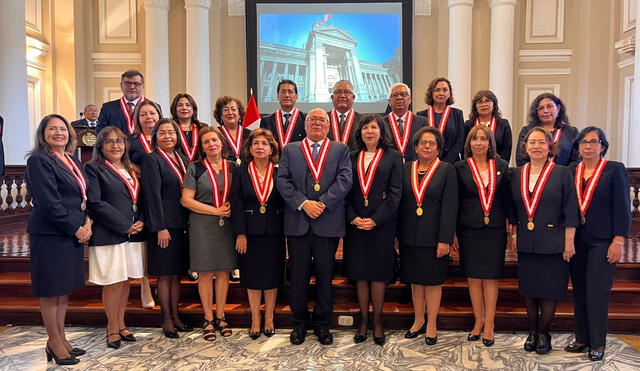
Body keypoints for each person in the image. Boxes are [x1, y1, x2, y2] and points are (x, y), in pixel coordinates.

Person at [276, 108, 352, 345]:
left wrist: (322, 203)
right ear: (305, 125)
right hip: (298, 223)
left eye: (322, 120)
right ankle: (299, 324)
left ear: (329, 126)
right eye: (312, 119)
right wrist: (303, 203)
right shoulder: (291, 149)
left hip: (327, 223)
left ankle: (322, 325)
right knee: (297, 277)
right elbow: (283, 180)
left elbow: (345, 179)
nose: (317, 123)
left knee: (325, 276)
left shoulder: (340, 149)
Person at [26, 114, 91, 365]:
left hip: (70, 231)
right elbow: (49, 202)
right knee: (50, 291)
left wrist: (87, 222)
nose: (58, 133)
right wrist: (75, 228)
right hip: (50, 234)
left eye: (62, 129)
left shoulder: (71, 160)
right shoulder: (39, 160)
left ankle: (61, 339)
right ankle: (54, 342)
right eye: (52, 129)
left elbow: (80, 196)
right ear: (43, 134)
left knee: (62, 291)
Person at [509, 126, 578, 354]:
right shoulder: (518, 173)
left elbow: (570, 209)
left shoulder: (562, 172)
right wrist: (513, 235)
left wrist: (569, 242)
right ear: (525, 147)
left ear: (550, 147)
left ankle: (543, 332)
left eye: (541, 142)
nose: (536, 146)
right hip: (527, 241)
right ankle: (532, 330)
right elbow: (514, 207)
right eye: (532, 142)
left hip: (554, 241)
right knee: (529, 289)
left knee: (549, 290)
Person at [565, 127, 631, 361]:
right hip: (577, 241)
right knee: (580, 292)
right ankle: (582, 338)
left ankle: (598, 342)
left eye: (594, 142)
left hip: (603, 242)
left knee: (597, 292)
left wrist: (618, 240)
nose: (588, 146)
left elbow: (623, 208)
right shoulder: (572, 169)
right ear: (578, 146)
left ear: (603, 145)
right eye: (583, 142)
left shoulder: (614, 169)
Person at [344, 114, 402, 346]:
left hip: (382, 225)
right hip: (356, 224)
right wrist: (354, 218)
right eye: (365, 128)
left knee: (378, 274)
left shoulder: (394, 157)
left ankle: (378, 321)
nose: (369, 131)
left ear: (381, 131)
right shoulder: (351, 156)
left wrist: (376, 220)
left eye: (374, 127)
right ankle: (363, 321)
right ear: (360, 132)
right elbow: (345, 192)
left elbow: (396, 193)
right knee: (360, 274)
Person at [85, 127, 145, 349]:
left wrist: (141, 221)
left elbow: (140, 198)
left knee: (125, 279)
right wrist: (125, 225)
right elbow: (96, 202)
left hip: (133, 233)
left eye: (119, 141)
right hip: (110, 234)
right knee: (113, 282)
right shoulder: (93, 168)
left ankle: (121, 324)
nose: (115, 145)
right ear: (100, 145)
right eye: (109, 141)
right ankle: (111, 329)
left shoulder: (132, 168)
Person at [397, 126, 458, 346]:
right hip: (409, 236)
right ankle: (418, 320)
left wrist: (445, 239)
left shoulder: (446, 170)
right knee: (415, 282)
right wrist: (397, 235)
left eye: (432, 143)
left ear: (439, 148)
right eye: (423, 142)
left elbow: (450, 207)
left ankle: (432, 323)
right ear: (415, 147)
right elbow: (400, 204)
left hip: (434, 238)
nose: (427, 146)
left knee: (432, 282)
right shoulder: (405, 169)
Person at [453, 125, 510, 347]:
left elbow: (506, 200)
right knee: (474, 277)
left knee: (492, 277)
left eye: (483, 139)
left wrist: (509, 228)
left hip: (495, 229)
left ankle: (490, 324)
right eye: (474, 139)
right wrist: (454, 233)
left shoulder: (502, 166)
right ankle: (478, 321)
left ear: (490, 143)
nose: (478, 142)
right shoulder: (459, 167)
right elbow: (455, 203)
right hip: (469, 229)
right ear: (469, 143)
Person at [181, 126, 237, 340]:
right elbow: (186, 200)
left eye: (214, 140)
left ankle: (221, 316)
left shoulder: (233, 167)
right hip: (202, 223)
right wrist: (215, 210)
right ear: (202, 147)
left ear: (221, 143)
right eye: (206, 142)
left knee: (223, 272)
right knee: (205, 273)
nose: (211, 144)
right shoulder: (195, 168)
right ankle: (207, 319)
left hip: (226, 226)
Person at [230, 128, 285, 340]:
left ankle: (269, 317)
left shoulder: (280, 170)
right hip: (250, 233)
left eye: (265, 143)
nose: (260, 147)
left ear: (272, 148)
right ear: (250, 149)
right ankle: (255, 318)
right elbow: (236, 203)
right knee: (252, 276)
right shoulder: (241, 171)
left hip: (275, 230)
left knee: (272, 276)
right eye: (256, 144)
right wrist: (240, 233)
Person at [140, 118, 192, 338]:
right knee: (164, 275)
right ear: (155, 137)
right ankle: (166, 319)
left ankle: (176, 315)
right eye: (162, 133)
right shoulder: (152, 159)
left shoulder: (181, 159)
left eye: (171, 132)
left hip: (180, 224)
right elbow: (151, 196)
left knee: (176, 275)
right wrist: (160, 227)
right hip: (163, 227)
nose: (168, 136)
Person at [128, 99, 162, 309]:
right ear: (138, 119)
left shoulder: (166, 137)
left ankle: (161, 280)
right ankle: (144, 286)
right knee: (142, 246)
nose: (149, 117)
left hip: (162, 196)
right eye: (144, 114)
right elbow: (123, 162)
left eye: (152, 113)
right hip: (139, 195)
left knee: (159, 242)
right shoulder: (132, 141)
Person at [516, 93, 579, 166]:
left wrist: (562, 174)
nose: (545, 111)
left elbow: (576, 160)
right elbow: (521, 159)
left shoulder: (571, 132)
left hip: (564, 176)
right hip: (533, 175)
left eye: (549, 106)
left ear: (558, 108)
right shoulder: (527, 131)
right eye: (541, 108)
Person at [416, 77, 465, 163]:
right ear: (431, 93)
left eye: (445, 90)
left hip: (451, 163)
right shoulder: (421, 115)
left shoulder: (457, 114)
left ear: (449, 94)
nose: (441, 93)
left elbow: (460, 141)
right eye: (437, 90)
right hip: (427, 162)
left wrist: (445, 162)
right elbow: (419, 141)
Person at [464, 90, 512, 163]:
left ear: (494, 104)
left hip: (497, 166)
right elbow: (465, 148)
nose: (484, 104)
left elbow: (507, 149)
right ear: (475, 106)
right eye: (480, 102)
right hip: (473, 166)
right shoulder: (468, 125)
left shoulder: (503, 124)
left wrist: (500, 166)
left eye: (487, 101)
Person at [384, 83, 427, 162]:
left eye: (403, 94)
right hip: (389, 168)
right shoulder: (381, 123)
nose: (399, 98)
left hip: (415, 167)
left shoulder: (422, 122)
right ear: (389, 101)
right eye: (395, 95)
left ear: (410, 99)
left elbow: (424, 146)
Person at [97, 69, 148, 135]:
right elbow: (100, 133)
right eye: (127, 83)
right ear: (121, 85)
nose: (132, 87)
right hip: (116, 145)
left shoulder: (153, 107)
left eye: (136, 84)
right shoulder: (108, 108)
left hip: (144, 145)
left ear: (143, 87)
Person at [260, 79, 306, 149]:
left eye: (290, 92)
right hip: (274, 159)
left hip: (297, 159)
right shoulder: (266, 121)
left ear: (296, 96)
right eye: (283, 92)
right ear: (278, 96)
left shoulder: (305, 119)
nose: (287, 95)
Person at [214, 96, 252, 166]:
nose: (230, 112)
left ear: (240, 114)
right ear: (220, 115)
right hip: (223, 173)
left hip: (247, 173)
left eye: (233, 109)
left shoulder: (250, 134)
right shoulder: (215, 134)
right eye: (226, 110)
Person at [171, 93, 208, 163]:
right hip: (177, 168)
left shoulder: (203, 128)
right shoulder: (170, 128)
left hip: (200, 169)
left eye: (188, 105)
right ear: (174, 109)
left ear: (193, 108)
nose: (184, 108)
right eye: (180, 105)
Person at [327, 80, 363, 150]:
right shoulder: (322, 119)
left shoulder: (363, 121)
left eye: (347, 92)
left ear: (353, 97)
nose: (342, 95)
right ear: (332, 97)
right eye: (338, 92)